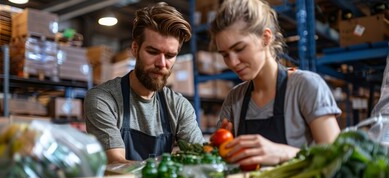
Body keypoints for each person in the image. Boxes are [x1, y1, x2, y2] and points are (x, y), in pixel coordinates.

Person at [208, 0, 341, 169]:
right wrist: (221, 147)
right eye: (225, 55)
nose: (233, 62)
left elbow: (337, 156)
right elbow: (222, 160)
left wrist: (282, 153)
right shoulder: (235, 99)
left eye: (240, 48)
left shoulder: (306, 87)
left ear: (265, 37)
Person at [84, 2, 204, 163]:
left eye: (169, 56)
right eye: (153, 52)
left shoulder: (179, 107)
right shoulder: (103, 99)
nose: (162, 63)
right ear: (135, 48)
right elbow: (117, 163)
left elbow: (200, 159)